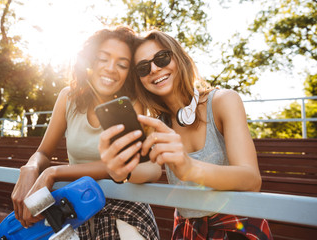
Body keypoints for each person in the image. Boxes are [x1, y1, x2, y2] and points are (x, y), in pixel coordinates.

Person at [101, 30, 273, 239]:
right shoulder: (158, 125)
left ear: (179, 57)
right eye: (143, 68)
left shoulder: (223, 101)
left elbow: (251, 179)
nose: (154, 69)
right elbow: (149, 171)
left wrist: (189, 168)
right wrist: (119, 172)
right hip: (187, 230)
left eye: (161, 58)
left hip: (239, 226)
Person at [11, 26, 161, 240]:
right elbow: (43, 153)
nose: (111, 68)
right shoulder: (68, 98)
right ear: (90, 60)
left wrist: (54, 173)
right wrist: (31, 167)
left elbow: (127, 166)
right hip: (79, 210)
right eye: (103, 58)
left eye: (122, 64)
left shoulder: (133, 104)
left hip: (125, 208)